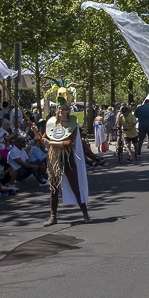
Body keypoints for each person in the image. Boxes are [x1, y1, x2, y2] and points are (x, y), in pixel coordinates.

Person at [40, 92, 90, 226]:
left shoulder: (72, 125)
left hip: (67, 158)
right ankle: (53, 216)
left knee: (75, 187)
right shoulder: (51, 124)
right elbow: (42, 140)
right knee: (54, 189)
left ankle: (85, 213)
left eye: (63, 109)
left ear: (68, 111)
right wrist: (37, 134)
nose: (60, 111)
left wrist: (50, 143)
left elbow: (68, 143)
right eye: (58, 109)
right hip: (54, 159)